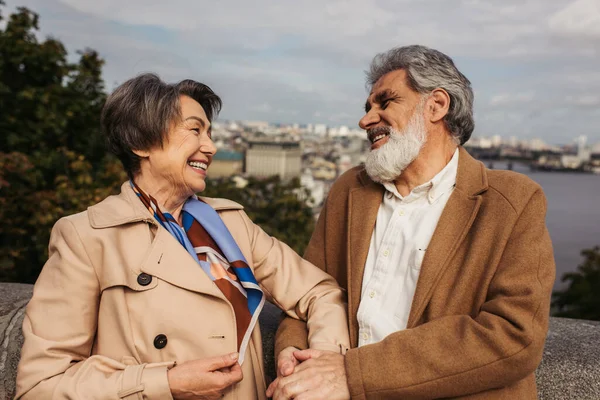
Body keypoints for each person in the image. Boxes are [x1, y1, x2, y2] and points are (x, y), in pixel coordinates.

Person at [15, 73, 350, 400]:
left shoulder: (230, 224)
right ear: (140, 143)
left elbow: (319, 292)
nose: (212, 146)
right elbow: (40, 386)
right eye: (195, 130)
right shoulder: (87, 236)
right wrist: (166, 384)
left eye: (209, 132)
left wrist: (319, 365)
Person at [268, 45, 555, 399]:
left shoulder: (511, 201)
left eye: (385, 103)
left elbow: (515, 335)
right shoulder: (350, 190)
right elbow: (307, 293)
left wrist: (353, 373)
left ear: (436, 105)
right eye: (368, 107)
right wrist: (291, 351)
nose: (366, 120)